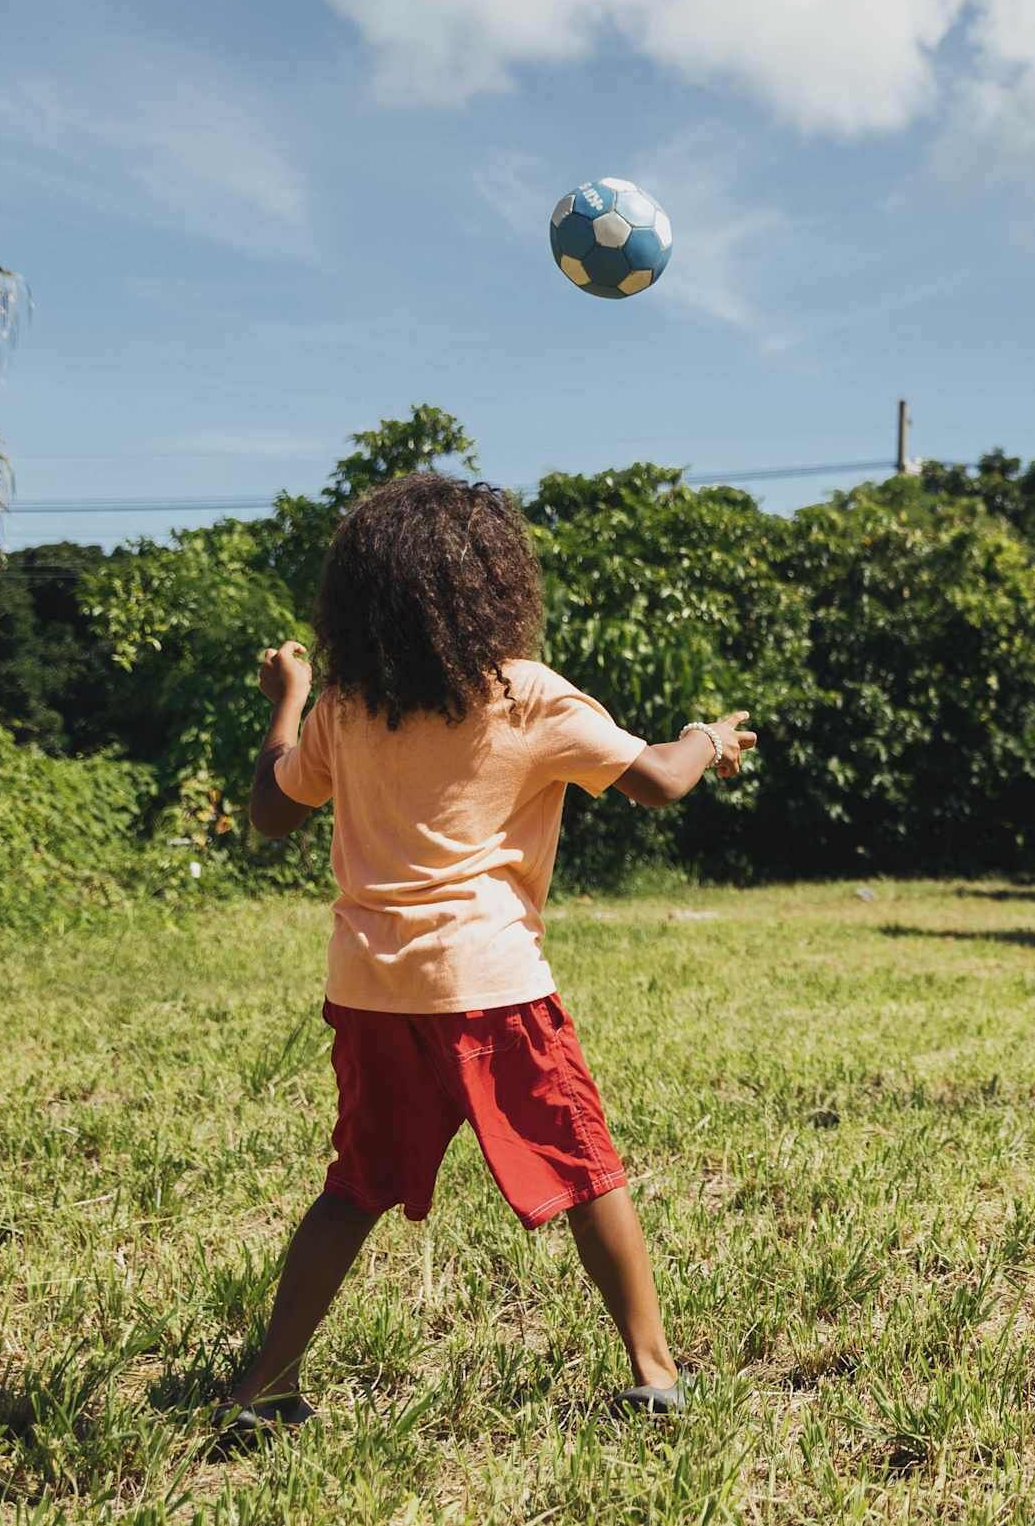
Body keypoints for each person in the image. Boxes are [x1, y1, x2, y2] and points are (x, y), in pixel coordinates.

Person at [223, 474, 756, 1435]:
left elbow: (269, 810)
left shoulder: (345, 705)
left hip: (373, 990)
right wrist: (705, 736)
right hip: (491, 985)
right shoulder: (525, 695)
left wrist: (290, 698)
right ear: (495, 585)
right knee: (586, 1168)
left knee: (354, 1188)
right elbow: (662, 784)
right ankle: (654, 1372)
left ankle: (264, 1387)